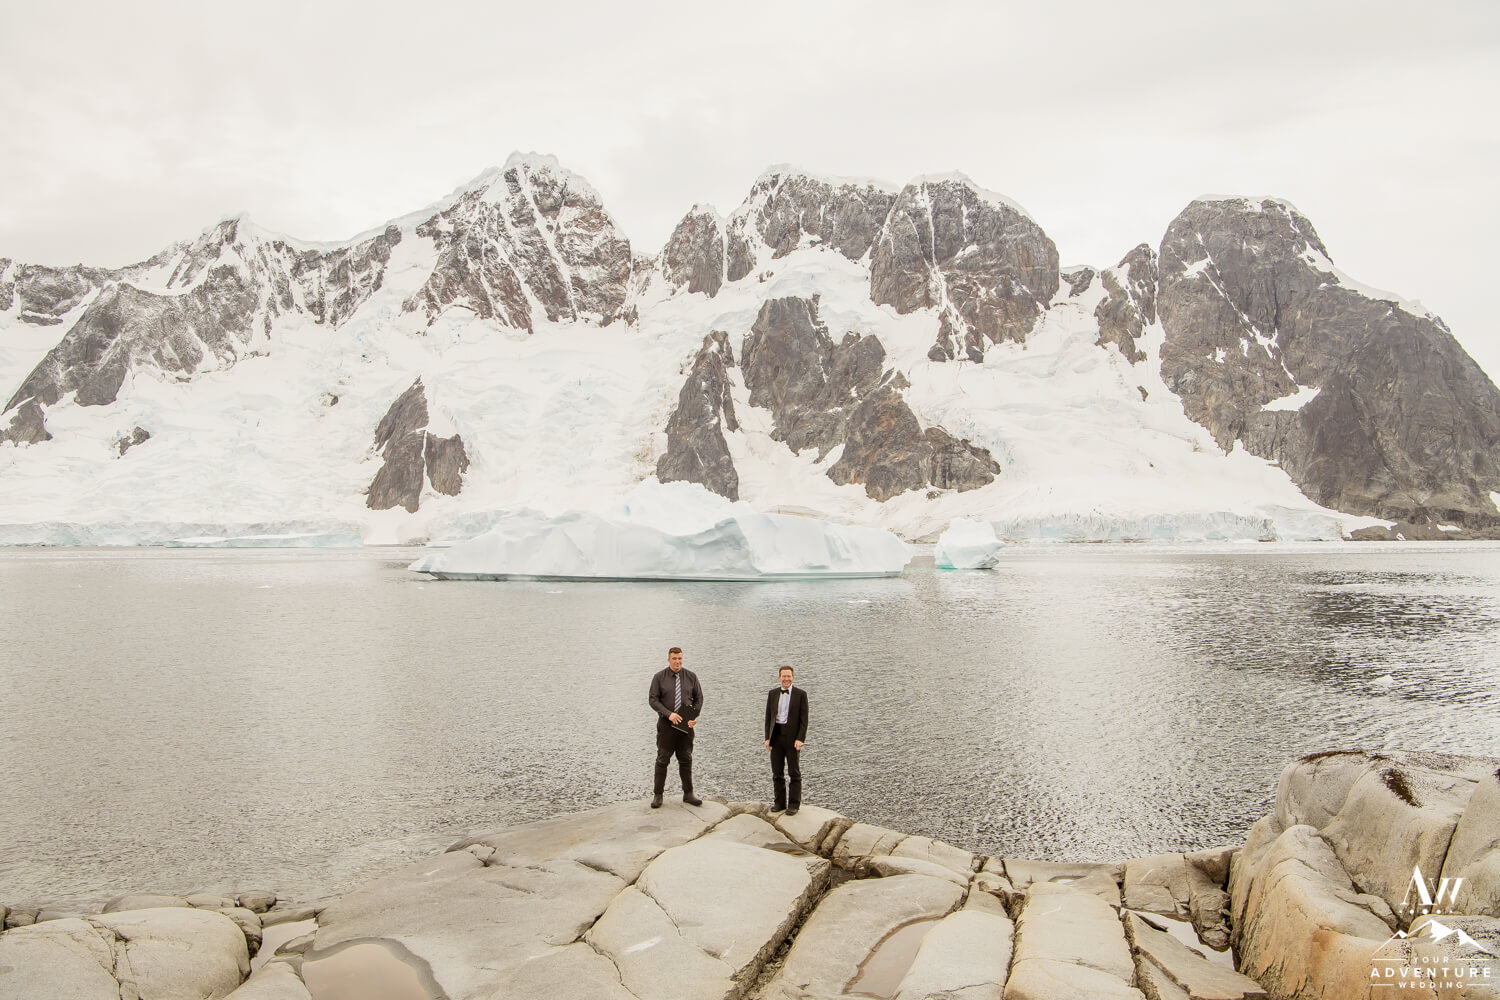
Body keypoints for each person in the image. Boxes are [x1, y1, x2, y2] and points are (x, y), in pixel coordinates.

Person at [648, 646, 703, 808]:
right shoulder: (659, 677)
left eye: (680, 659)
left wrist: (694, 717)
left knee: (686, 758)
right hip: (666, 724)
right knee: (663, 759)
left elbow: (699, 698)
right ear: (668, 660)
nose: (677, 662)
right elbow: (653, 700)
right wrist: (668, 713)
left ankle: (688, 793)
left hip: (686, 725)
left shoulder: (691, 676)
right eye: (674, 659)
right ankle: (658, 795)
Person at [763, 664, 808, 815]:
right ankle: (779, 802)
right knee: (777, 772)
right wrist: (767, 738)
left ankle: (794, 804)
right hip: (776, 737)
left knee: (794, 772)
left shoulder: (801, 695)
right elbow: (768, 717)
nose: (786, 679)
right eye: (784, 676)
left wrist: (800, 739)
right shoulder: (772, 693)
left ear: (793, 677)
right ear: (779, 677)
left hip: (792, 738)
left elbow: (804, 720)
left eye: (789, 676)